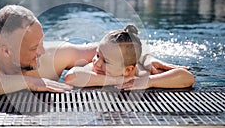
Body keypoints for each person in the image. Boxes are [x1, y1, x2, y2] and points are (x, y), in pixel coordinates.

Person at [0, 5, 185, 98]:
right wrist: (27, 82)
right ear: (6, 51)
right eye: (33, 47)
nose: (42, 52)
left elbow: (119, 50)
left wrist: (148, 58)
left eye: (41, 41)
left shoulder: (54, 54)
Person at [65, 25, 195, 90]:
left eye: (105, 61)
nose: (96, 62)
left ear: (128, 70)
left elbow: (187, 77)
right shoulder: (95, 69)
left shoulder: (143, 73)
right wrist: (119, 80)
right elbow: (71, 77)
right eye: (97, 54)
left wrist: (150, 81)